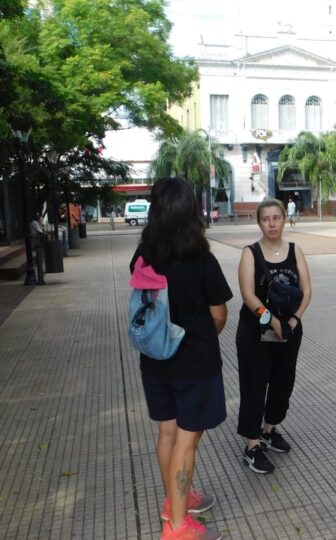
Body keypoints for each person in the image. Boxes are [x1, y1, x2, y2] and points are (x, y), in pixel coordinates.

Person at [129, 178, 232, 540]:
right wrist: (199, 338)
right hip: (195, 364)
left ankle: (176, 501)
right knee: (187, 440)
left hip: (155, 360)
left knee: (167, 432)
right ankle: (177, 527)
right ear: (192, 213)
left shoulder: (142, 256)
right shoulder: (201, 259)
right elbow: (219, 314)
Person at [236, 198, 312, 474]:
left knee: (283, 383)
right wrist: (272, 322)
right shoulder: (250, 253)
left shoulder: (295, 250)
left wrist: (292, 320)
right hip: (256, 332)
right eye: (266, 219)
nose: (272, 224)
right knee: (254, 385)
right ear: (259, 223)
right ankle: (252, 444)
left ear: (284, 219)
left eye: (276, 218)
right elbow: (248, 295)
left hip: (289, 330)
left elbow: (307, 291)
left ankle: (269, 430)